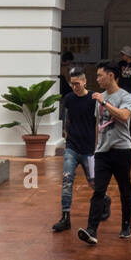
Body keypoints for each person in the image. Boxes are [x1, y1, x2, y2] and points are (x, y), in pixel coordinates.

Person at [78, 60, 131, 244]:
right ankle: (91, 230)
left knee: (124, 188)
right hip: (103, 152)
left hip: (122, 150)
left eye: (100, 75)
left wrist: (106, 103)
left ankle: (127, 223)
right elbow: (98, 125)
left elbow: (124, 116)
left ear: (111, 75)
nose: (98, 79)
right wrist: (95, 149)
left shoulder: (125, 96)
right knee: (98, 191)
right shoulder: (99, 97)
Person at [52, 67, 110, 232]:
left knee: (93, 183)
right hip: (72, 147)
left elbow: (99, 124)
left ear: (85, 81)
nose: (75, 87)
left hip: (89, 149)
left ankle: (105, 200)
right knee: (67, 181)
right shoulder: (69, 99)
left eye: (77, 83)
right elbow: (67, 118)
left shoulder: (93, 99)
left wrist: (97, 147)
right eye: (72, 84)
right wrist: (65, 134)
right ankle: (65, 217)